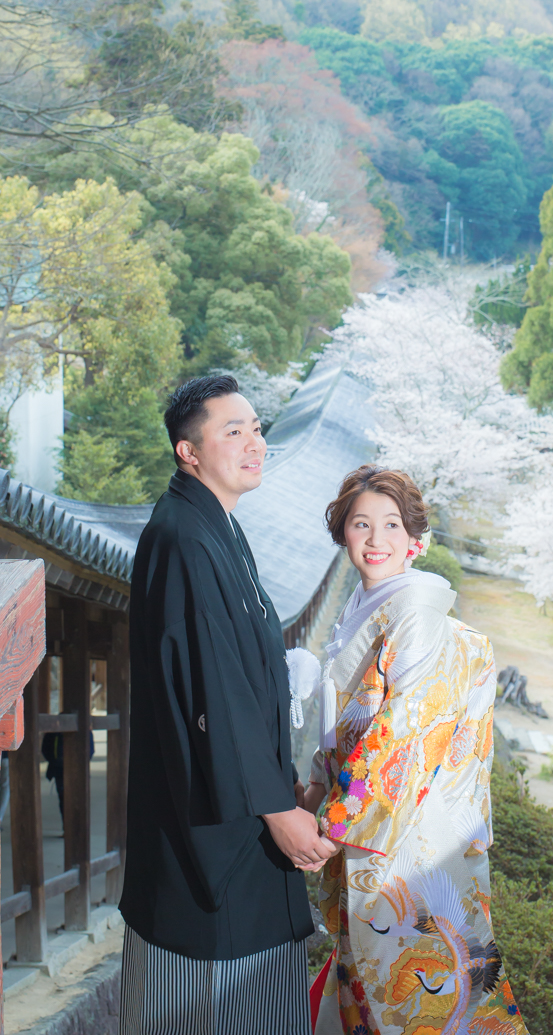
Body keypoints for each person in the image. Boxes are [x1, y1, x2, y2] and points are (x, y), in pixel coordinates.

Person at [119, 374, 336, 1035]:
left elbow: (247, 676)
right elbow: (214, 691)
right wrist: (277, 809)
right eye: (233, 431)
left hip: (242, 805)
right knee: (209, 1006)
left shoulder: (216, 528)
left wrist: (281, 783)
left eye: (258, 429)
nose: (255, 443)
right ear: (188, 451)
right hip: (213, 830)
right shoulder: (183, 538)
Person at [305, 465, 530, 1035]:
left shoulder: (417, 613)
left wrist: (334, 823)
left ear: (415, 538)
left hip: (405, 838)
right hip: (380, 828)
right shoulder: (369, 605)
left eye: (391, 524)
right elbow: (345, 720)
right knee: (372, 990)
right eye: (361, 523)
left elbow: (402, 734)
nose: (375, 539)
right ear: (342, 532)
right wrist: (318, 784)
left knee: (416, 996)